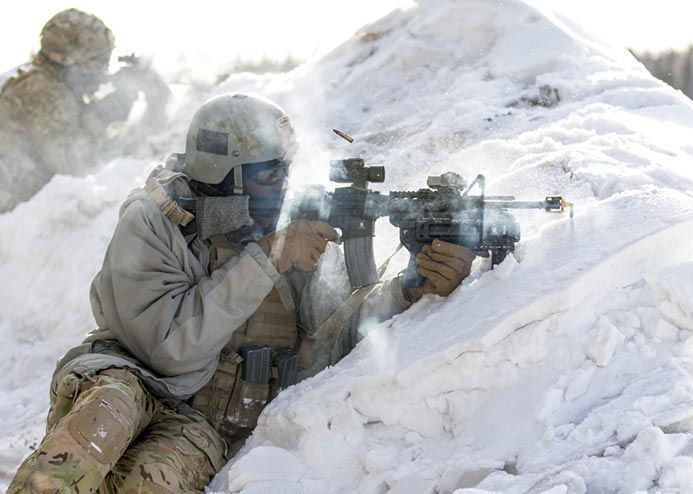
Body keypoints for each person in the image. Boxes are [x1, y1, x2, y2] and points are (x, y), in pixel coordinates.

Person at [7, 92, 479, 493]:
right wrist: (269, 256)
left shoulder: (293, 230)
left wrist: (408, 289)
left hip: (207, 422)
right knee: (97, 428)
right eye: (268, 175)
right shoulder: (158, 218)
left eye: (285, 172)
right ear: (224, 173)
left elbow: (334, 338)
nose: (283, 186)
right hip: (134, 377)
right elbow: (168, 349)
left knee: (150, 481)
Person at [0, 8, 170, 213]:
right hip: (13, 205)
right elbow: (71, 165)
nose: (101, 72)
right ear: (67, 62)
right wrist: (101, 118)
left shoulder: (46, 79)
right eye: (95, 65)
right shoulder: (45, 93)